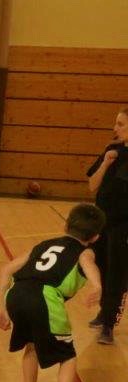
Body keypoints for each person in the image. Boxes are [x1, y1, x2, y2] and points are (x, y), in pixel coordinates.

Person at [0, 203, 105, 382]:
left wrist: (3, 307)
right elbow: (89, 264)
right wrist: (97, 286)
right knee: (68, 355)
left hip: (17, 294)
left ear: (65, 225)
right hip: (45, 299)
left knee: (32, 345)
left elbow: (6, 269)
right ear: (95, 237)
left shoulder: (43, 245)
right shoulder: (84, 251)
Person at [86, 108, 128, 345]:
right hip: (102, 222)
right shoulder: (111, 150)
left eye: (121, 124)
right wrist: (105, 163)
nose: (115, 128)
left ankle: (109, 324)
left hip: (123, 227)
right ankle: (104, 311)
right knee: (101, 267)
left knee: (117, 274)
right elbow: (92, 185)